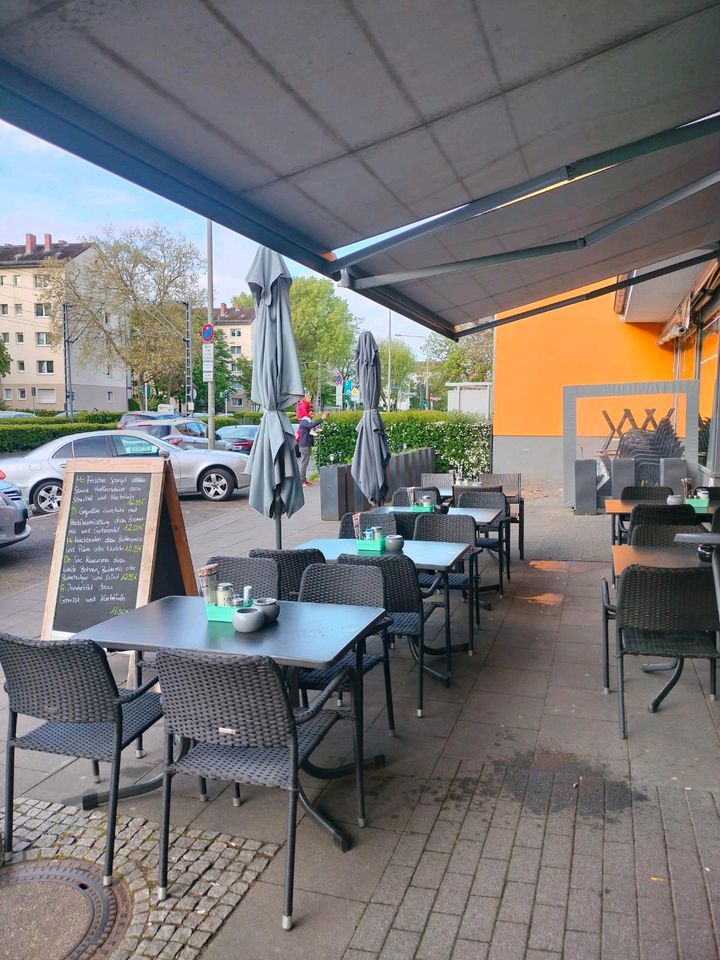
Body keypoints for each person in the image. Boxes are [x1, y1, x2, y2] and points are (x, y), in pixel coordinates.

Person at [296, 396, 327, 487]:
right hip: (304, 445)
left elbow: (312, 426)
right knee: (304, 464)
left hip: (306, 445)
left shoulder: (306, 421)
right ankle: (302, 481)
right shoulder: (304, 421)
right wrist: (322, 419)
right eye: (310, 413)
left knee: (304, 463)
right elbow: (311, 425)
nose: (312, 415)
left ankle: (304, 480)